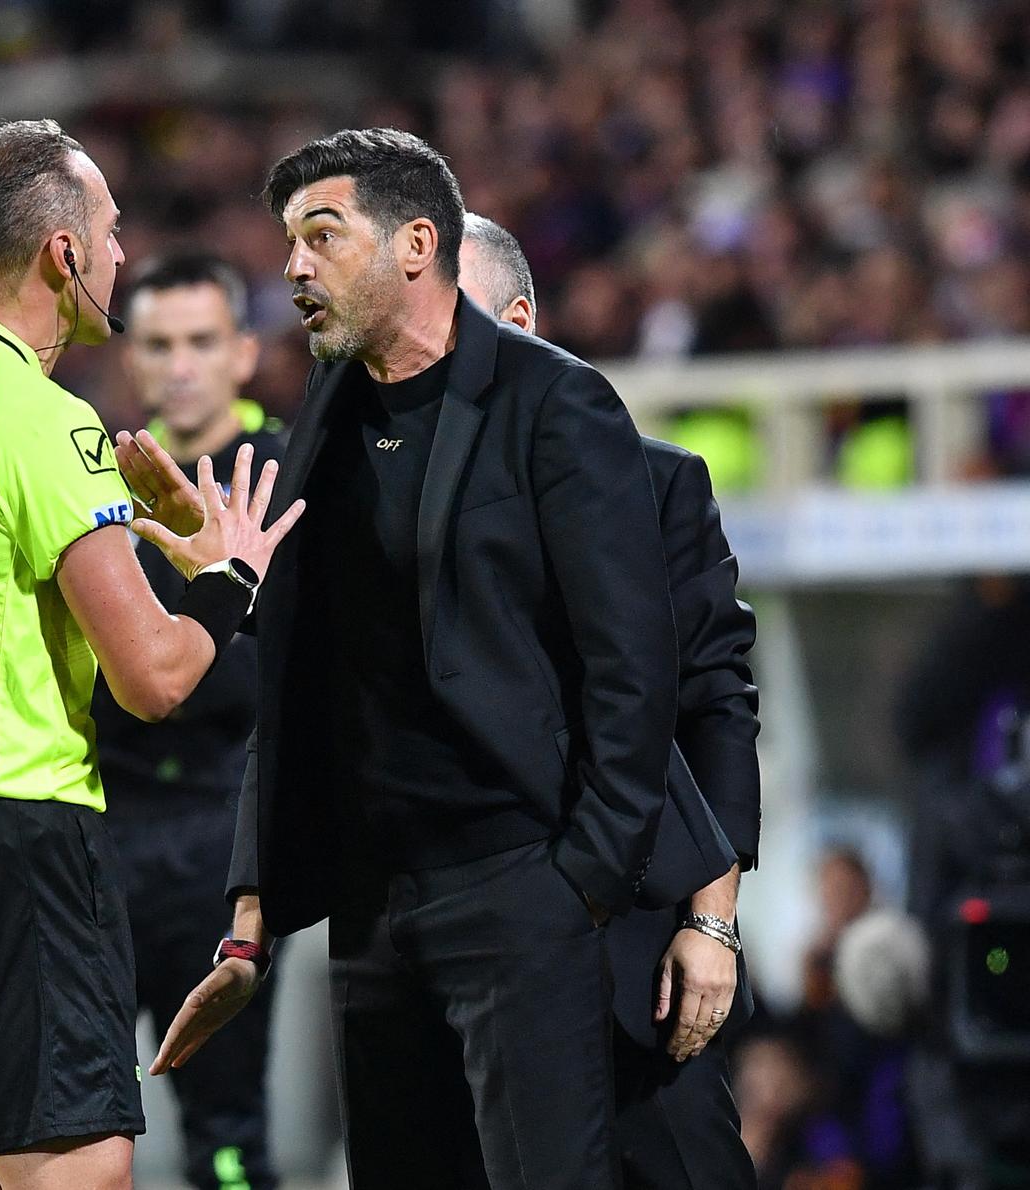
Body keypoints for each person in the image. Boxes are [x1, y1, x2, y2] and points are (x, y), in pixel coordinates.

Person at [122, 127, 683, 1189]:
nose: (292, 266)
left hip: (517, 889)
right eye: (288, 240)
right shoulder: (326, 415)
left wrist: (581, 882)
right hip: (372, 912)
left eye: (321, 235)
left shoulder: (553, 403)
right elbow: (305, 675)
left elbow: (634, 665)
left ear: (416, 242)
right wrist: (251, 907)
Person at [0, 119, 303, 1190]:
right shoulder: (45, 422)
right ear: (61, 254)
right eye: (112, 230)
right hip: (23, 856)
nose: (123, 253)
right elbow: (156, 676)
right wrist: (228, 572)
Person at [461, 212, 760, 1189]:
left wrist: (711, 922)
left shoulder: (657, 484)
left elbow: (716, 705)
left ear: (520, 320)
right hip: (468, 976)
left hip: (640, 969)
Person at [91, 253, 282, 1190]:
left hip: (228, 840)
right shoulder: (92, 486)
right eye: (159, 344)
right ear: (133, 362)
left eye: (202, 341)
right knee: (73, 1121)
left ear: (244, 352)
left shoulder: (296, 473)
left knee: (230, 1138)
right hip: (105, 837)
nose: (180, 365)